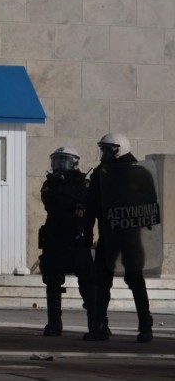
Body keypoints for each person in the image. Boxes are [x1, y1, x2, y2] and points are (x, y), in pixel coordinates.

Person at [83, 133, 156, 343]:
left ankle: (145, 326)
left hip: (131, 235)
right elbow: (92, 207)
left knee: (134, 280)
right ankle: (99, 325)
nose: (104, 154)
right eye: (103, 149)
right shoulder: (100, 174)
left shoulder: (140, 172)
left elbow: (150, 205)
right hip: (110, 233)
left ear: (119, 150)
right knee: (102, 281)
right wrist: (87, 233)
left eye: (108, 150)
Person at [38, 146, 94, 337]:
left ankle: (96, 323)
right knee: (52, 282)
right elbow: (50, 201)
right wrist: (75, 204)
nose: (60, 165)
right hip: (55, 236)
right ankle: (54, 324)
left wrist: (79, 204)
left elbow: (89, 202)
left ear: (75, 163)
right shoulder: (50, 184)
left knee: (87, 282)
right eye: (58, 161)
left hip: (76, 237)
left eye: (65, 161)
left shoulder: (84, 184)